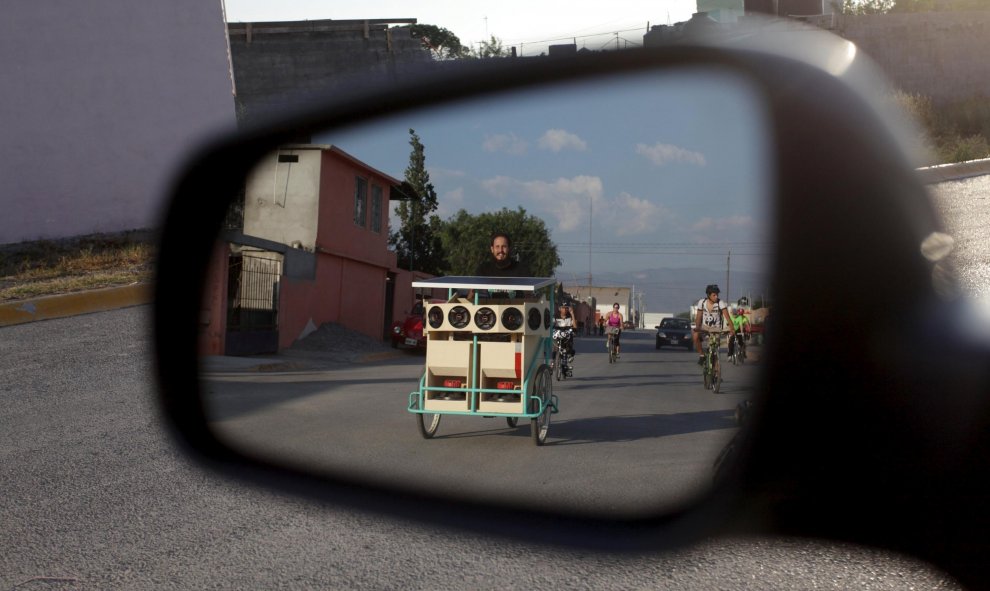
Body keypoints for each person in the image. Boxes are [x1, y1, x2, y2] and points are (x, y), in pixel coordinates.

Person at [693, 284, 736, 366]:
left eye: (717, 294)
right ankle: (702, 355)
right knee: (695, 336)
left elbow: (727, 317)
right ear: (708, 295)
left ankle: (717, 374)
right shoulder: (702, 302)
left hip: (716, 328)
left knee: (714, 350)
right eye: (714, 295)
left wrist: (732, 329)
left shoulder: (720, 303)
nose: (716, 296)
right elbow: (698, 317)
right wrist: (697, 328)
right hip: (704, 327)